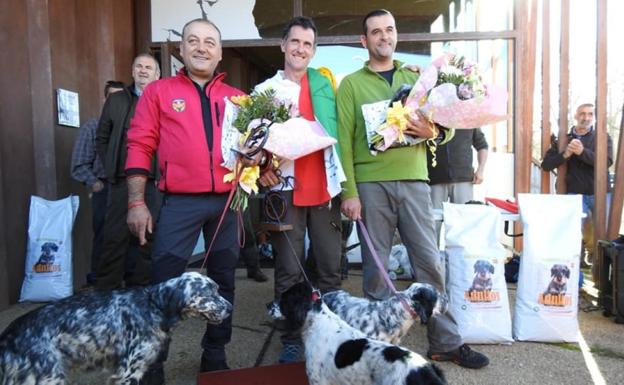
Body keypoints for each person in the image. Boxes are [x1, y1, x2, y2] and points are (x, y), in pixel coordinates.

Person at [336, 9, 489, 369]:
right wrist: (349, 192)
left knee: (429, 264)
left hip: (416, 182)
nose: (383, 37)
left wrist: (434, 132)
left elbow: (448, 125)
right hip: (371, 185)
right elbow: (343, 140)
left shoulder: (418, 77)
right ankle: (375, 347)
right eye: (375, 32)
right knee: (376, 271)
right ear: (365, 41)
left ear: (396, 35)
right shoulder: (352, 85)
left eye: (389, 30)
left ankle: (445, 343)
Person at [125, 18, 245, 380]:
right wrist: (136, 202)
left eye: (210, 42)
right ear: (181, 49)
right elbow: (139, 144)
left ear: (220, 52)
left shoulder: (238, 98)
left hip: (227, 203)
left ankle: (214, 352)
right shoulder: (158, 92)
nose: (202, 47)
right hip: (178, 203)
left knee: (224, 282)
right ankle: (153, 361)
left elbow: (254, 149)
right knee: (163, 284)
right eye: (193, 40)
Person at [253, 16, 346, 363]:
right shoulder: (264, 91)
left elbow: (340, 129)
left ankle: (333, 334)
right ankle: (291, 337)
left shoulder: (325, 85)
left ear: (314, 50)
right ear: (282, 45)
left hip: (325, 187)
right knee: (289, 270)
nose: (300, 49)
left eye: (307, 44)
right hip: (284, 189)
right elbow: (249, 142)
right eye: (295, 42)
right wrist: (261, 169)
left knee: (329, 266)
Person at [95, 54, 162, 290]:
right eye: (139, 66)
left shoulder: (162, 99)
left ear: (157, 75)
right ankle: (105, 294)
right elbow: (101, 137)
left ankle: (139, 292)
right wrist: (111, 163)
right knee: (114, 238)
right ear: (132, 71)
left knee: (148, 239)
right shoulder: (116, 100)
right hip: (121, 181)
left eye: (149, 68)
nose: (143, 71)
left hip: (154, 181)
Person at [541, 103, 613, 278]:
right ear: (575, 115)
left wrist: (582, 152)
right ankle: (575, 278)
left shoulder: (602, 137)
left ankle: (603, 278)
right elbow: (546, 165)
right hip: (574, 194)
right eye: (582, 113)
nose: (586, 117)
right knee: (573, 233)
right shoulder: (563, 139)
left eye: (590, 114)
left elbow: (607, 162)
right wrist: (564, 155)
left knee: (604, 234)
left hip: (600, 192)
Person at [70, 80, 124, 285]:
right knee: (105, 237)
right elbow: (78, 165)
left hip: (130, 187)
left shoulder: (132, 126)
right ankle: (101, 286)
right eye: (113, 97)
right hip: (105, 188)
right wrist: (96, 184)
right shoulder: (92, 127)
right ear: (105, 99)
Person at [428, 128, 489, 243]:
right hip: (434, 179)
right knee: (432, 225)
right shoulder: (432, 116)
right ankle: (432, 260)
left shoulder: (468, 117)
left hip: (463, 179)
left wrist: (480, 170)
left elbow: (482, 145)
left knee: (464, 224)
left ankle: (461, 259)